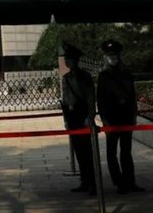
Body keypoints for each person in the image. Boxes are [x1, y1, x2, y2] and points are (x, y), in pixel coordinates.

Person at [97, 39, 144, 194]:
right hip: (111, 118)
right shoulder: (103, 76)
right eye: (109, 55)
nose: (112, 58)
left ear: (118, 56)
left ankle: (130, 181)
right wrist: (104, 119)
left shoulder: (126, 74)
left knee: (126, 151)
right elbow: (100, 99)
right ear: (105, 57)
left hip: (125, 117)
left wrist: (133, 116)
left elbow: (132, 96)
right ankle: (119, 182)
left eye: (114, 55)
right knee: (112, 153)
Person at [60, 42, 97, 195]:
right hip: (72, 116)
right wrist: (66, 120)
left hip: (83, 115)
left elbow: (90, 98)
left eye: (69, 59)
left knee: (87, 151)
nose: (67, 62)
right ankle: (84, 181)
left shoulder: (85, 76)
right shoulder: (66, 78)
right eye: (66, 59)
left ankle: (93, 183)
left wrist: (90, 116)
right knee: (78, 151)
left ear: (76, 60)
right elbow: (65, 100)